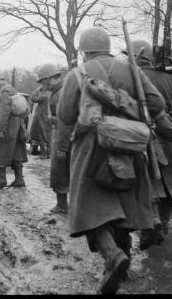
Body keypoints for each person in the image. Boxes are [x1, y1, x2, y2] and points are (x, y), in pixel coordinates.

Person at [57, 27, 165, 294]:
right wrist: (127, 114)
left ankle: (113, 256)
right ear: (107, 47)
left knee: (88, 205)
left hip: (91, 146)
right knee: (126, 205)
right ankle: (121, 267)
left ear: (84, 51)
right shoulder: (131, 70)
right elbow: (157, 104)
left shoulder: (78, 74)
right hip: (129, 145)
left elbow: (66, 115)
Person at [123, 40, 172, 250]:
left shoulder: (132, 75)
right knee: (168, 183)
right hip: (167, 135)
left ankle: (152, 223)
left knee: (147, 180)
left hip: (141, 133)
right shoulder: (167, 75)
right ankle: (164, 226)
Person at [38, 64, 71, 215]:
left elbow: (65, 121)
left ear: (50, 79)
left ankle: (62, 205)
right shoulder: (61, 90)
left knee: (59, 172)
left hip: (64, 137)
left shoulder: (60, 94)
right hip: (67, 136)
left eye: (43, 82)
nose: (43, 85)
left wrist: (62, 147)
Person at [0, 69, 28, 188]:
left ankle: (1, 179)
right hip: (15, 125)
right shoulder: (10, 88)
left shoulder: (4, 91)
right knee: (16, 151)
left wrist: (1, 129)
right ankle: (19, 179)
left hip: (7, 125)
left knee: (0, 150)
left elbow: (4, 111)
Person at [29, 75, 52, 159]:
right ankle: (49, 153)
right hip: (49, 118)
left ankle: (43, 153)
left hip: (41, 118)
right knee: (49, 136)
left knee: (41, 136)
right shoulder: (50, 94)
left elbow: (33, 98)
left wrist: (38, 90)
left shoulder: (44, 96)